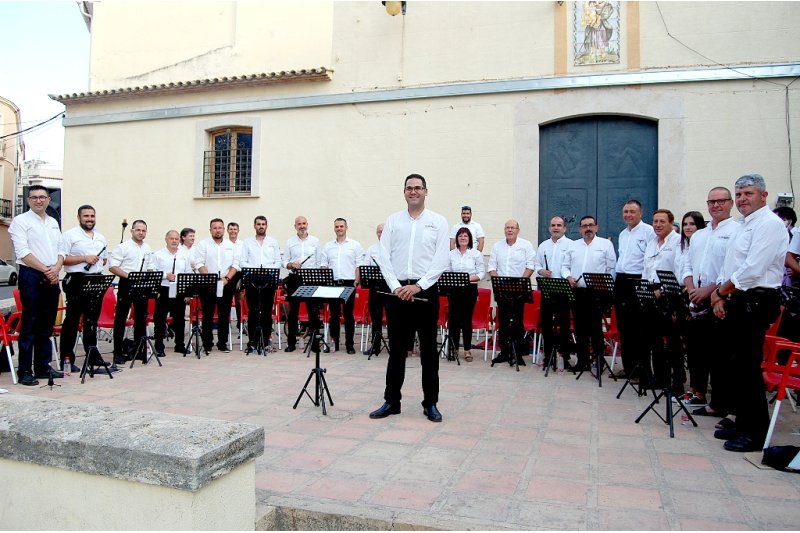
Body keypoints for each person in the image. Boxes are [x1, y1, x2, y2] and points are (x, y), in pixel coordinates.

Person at [711, 174, 788, 452]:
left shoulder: (770, 225)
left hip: (756, 299)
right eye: (739, 194)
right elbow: (730, 264)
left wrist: (720, 292)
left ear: (763, 196)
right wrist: (721, 294)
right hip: (737, 297)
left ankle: (755, 433)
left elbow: (753, 269)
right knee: (734, 364)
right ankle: (742, 421)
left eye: (749, 193)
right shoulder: (743, 225)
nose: (743, 199)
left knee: (748, 366)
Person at [370, 173, 449, 422]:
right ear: (404, 192)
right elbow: (384, 256)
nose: (413, 191)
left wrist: (419, 286)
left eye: (418, 188)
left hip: (426, 291)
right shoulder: (393, 221)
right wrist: (396, 287)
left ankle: (431, 403)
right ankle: (391, 401)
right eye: (409, 188)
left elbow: (441, 259)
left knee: (428, 351)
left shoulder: (438, 222)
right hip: (397, 293)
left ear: (426, 191)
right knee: (396, 350)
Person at [683, 188, 739, 419]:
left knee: (720, 356)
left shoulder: (737, 231)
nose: (716, 205)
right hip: (696, 298)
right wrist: (691, 290)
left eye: (721, 201)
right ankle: (698, 393)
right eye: (712, 202)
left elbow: (733, 270)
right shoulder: (699, 235)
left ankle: (720, 403)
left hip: (721, 299)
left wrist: (710, 291)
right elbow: (687, 265)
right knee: (697, 352)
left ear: (730, 203)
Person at [8, 185, 65, 385]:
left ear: (49, 199)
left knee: (46, 324)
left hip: (52, 274)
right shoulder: (20, 221)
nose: (38, 201)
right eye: (34, 197)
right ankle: (25, 370)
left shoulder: (53, 222)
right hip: (31, 274)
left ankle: (43, 367)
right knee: (30, 323)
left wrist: (56, 269)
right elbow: (23, 252)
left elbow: (61, 249)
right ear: (28, 200)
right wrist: (47, 270)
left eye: (42, 197)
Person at [563, 215, 616, 371]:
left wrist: (606, 288)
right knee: (580, 328)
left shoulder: (605, 244)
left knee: (596, 328)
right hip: (578, 292)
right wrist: (568, 277)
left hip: (597, 293)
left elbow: (611, 268)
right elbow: (565, 266)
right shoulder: (573, 245)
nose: (588, 228)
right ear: (580, 229)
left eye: (591, 225)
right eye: (584, 226)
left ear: (596, 227)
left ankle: (599, 361)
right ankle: (582, 361)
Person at [58, 204, 108, 372]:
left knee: (92, 320)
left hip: (96, 279)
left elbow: (104, 260)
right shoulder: (69, 235)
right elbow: (63, 259)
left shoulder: (100, 237)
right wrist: (84, 258)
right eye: (86, 216)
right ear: (79, 217)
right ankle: (67, 359)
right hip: (77, 279)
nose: (89, 219)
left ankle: (92, 356)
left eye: (92, 216)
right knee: (72, 321)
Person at [642, 209, 683, 394]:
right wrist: (645, 289)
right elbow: (646, 270)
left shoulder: (678, 242)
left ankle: (677, 381)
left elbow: (680, 272)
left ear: (671, 223)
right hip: (651, 293)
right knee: (654, 340)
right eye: (655, 221)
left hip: (670, 294)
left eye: (662, 221)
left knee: (673, 342)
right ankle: (660, 377)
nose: (657, 225)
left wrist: (663, 290)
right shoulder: (651, 243)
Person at [613, 199, 655, 380]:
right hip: (622, 281)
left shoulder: (649, 232)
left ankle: (642, 370)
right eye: (626, 212)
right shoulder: (623, 234)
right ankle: (629, 367)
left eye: (632, 212)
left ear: (640, 213)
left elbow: (650, 260)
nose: (628, 215)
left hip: (638, 280)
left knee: (639, 328)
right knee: (624, 327)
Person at [487, 219, 536, 366]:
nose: (510, 230)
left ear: (518, 230)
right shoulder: (497, 246)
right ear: (504, 230)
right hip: (502, 287)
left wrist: (521, 282)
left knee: (518, 321)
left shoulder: (526, 245)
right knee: (503, 321)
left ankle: (518, 353)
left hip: (519, 286)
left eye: (512, 228)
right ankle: (504, 352)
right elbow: (491, 267)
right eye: (507, 227)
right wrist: (498, 283)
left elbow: (530, 266)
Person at [108, 219, 154, 364]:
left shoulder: (147, 248)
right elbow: (112, 266)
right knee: (121, 318)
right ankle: (117, 352)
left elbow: (151, 267)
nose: (141, 233)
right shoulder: (123, 247)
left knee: (140, 319)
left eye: (143, 230)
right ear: (132, 231)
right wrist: (129, 276)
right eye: (138, 230)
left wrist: (151, 278)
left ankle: (138, 350)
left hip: (142, 285)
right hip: (126, 283)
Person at [234, 216, 282, 352]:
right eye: (258, 224)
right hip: (252, 280)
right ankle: (252, 342)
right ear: (254, 226)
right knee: (253, 311)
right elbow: (242, 262)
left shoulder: (273, 242)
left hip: (268, 280)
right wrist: (255, 270)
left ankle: (266, 341)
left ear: (266, 226)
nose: (261, 226)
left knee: (267, 311)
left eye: (263, 224)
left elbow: (278, 261)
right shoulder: (247, 242)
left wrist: (266, 270)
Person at [673, 211, 707, 405]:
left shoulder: (703, 244)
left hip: (699, 296)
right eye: (685, 224)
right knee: (689, 347)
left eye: (692, 224)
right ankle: (692, 388)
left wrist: (692, 291)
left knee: (700, 348)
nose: (687, 227)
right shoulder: (683, 247)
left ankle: (700, 390)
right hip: (684, 295)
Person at [534, 216, 573, 369]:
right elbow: (537, 264)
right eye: (553, 225)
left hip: (563, 289)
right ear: (549, 228)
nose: (556, 228)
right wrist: (541, 271)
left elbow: (571, 266)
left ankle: (565, 356)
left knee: (564, 323)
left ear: (565, 228)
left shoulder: (571, 245)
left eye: (559, 225)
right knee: (546, 323)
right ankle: (548, 355)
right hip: (547, 288)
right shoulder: (543, 245)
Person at [195, 218, 238, 353]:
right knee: (207, 314)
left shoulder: (231, 245)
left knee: (224, 314)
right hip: (208, 283)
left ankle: (222, 343)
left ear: (224, 229)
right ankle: (207, 343)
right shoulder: (203, 244)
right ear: (210, 230)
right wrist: (210, 278)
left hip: (226, 283)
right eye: (215, 228)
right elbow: (199, 263)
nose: (217, 230)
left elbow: (236, 264)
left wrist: (227, 278)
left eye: (220, 228)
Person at [321, 218, 363, 354]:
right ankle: (334, 343)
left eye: (341, 226)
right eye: (337, 226)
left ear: (346, 228)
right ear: (334, 228)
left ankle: (349, 345)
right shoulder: (328, 246)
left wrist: (356, 282)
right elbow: (324, 265)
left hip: (349, 283)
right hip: (333, 284)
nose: (339, 228)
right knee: (333, 315)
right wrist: (326, 281)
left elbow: (358, 265)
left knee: (348, 315)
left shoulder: (355, 245)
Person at [283, 216, 323, 352]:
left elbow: (319, 262)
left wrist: (317, 276)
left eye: (304, 223)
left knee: (313, 311)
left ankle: (314, 343)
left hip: (311, 279)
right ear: (295, 226)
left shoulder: (315, 241)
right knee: (293, 312)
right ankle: (291, 343)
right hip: (295, 279)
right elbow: (284, 261)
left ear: (307, 224)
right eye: (299, 224)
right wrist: (291, 264)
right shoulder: (290, 242)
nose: (302, 226)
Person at [447, 227, 485, 362]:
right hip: (454, 290)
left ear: (470, 239)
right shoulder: (451, 254)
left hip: (469, 289)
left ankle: (467, 349)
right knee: (454, 319)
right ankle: (453, 348)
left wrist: (468, 279)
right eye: (460, 236)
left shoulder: (476, 254)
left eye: (465, 236)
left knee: (467, 319)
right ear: (457, 238)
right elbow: (447, 271)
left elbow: (481, 273)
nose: (463, 238)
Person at [152, 230, 192, 356]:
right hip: (163, 289)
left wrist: (187, 292)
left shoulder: (184, 255)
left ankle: (179, 345)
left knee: (180, 319)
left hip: (179, 290)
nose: (174, 241)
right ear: (166, 239)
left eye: (176, 239)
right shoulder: (158, 255)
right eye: (171, 238)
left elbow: (188, 272)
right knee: (160, 318)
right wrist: (165, 276)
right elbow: (152, 271)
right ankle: (159, 346)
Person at [361, 223, 388, 356]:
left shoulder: (394, 248)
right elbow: (365, 268)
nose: (380, 234)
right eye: (378, 232)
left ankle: (396, 346)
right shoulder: (372, 249)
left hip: (390, 288)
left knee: (393, 317)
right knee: (375, 317)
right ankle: (375, 345)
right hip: (375, 288)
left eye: (383, 231)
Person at [227, 221, 245, 332]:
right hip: (228, 274)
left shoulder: (243, 244)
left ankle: (240, 324)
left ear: (238, 231)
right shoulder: (224, 244)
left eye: (235, 229)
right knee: (227, 300)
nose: (233, 231)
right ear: (227, 230)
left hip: (239, 274)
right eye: (231, 229)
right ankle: (226, 324)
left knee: (240, 300)